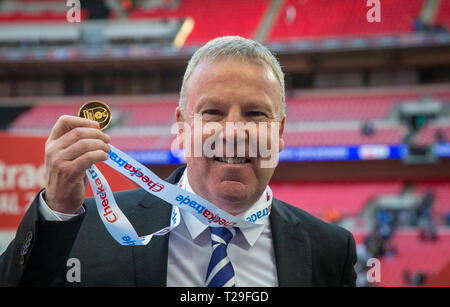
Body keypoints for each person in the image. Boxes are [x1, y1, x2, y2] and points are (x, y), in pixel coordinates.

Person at [0, 36, 356, 287]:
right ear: (182, 127)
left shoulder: (329, 250)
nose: (233, 131)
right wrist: (57, 211)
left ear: (279, 133)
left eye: (255, 113)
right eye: (212, 112)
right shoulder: (90, 227)